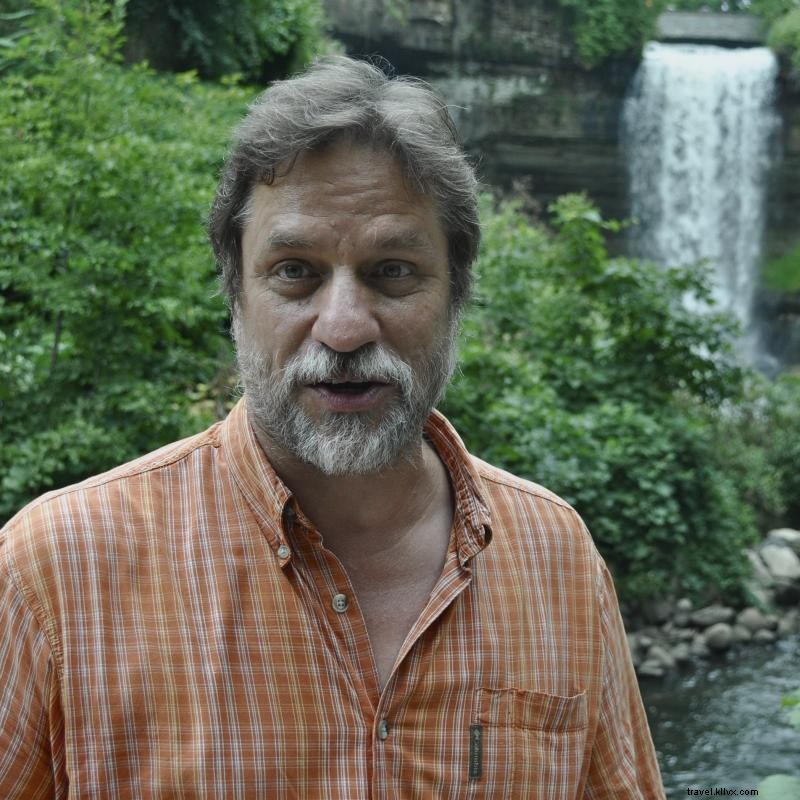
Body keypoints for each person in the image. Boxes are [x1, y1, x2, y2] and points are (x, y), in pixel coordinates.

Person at [0, 56, 664, 798]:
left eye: (393, 272)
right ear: (234, 294)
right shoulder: (54, 572)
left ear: (456, 296)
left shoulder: (557, 558)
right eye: (294, 272)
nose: (344, 328)